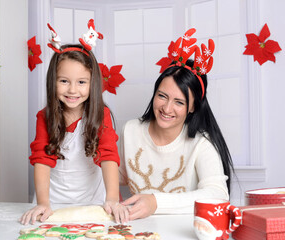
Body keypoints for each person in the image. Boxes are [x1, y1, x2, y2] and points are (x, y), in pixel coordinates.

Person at [119, 29, 234, 221]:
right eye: (162, 96)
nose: (167, 108)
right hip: (137, 229)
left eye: (179, 102)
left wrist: (155, 202)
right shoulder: (131, 130)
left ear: (192, 107)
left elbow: (218, 195)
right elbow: (117, 175)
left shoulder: (200, 144)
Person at [20, 43, 128, 225]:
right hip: (53, 203)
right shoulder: (44, 117)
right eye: (64, 81)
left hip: (94, 202)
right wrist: (43, 203)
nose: (72, 90)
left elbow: (108, 156)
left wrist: (112, 199)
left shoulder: (102, 115)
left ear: (92, 83)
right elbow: (42, 160)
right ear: (52, 81)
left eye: (81, 82)